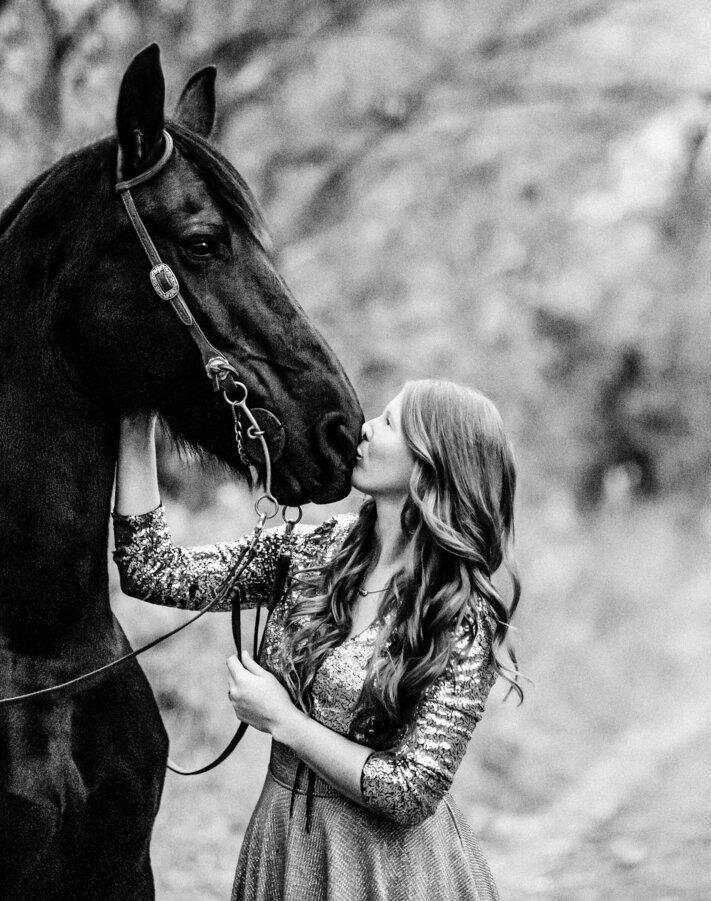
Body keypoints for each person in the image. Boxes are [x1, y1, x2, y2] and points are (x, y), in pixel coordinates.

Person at [112, 379, 522, 901]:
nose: (366, 428)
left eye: (390, 423)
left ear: (432, 463)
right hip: (283, 847)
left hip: (392, 873)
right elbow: (154, 569)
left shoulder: (461, 614)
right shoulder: (313, 550)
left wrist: (283, 720)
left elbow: (411, 791)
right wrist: (136, 420)